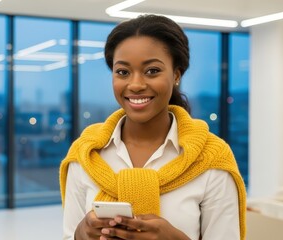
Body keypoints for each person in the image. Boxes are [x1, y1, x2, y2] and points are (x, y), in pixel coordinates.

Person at [59, 14, 246, 240]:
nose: (135, 84)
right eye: (123, 72)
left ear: (176, 74)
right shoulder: (85, 155)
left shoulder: (212, 159)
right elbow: (69, 235)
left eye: (152, 71)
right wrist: (80, 235)